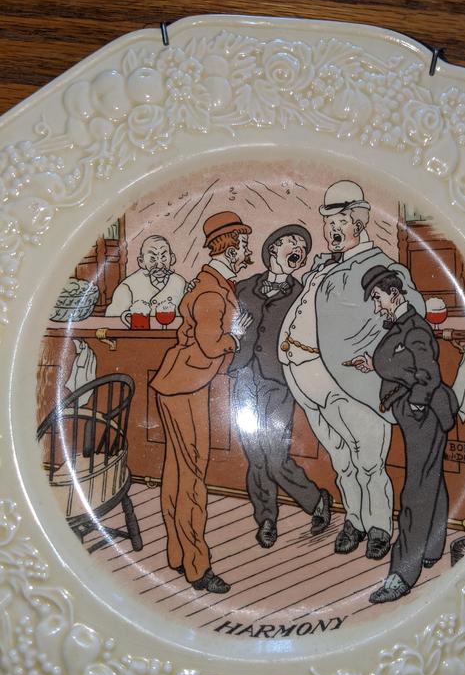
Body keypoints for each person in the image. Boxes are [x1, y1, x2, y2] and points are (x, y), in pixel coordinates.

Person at [278, 180, 425, 560]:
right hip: (306, 379)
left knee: (370, 462)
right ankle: (355, 520)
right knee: (342, 461)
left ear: (359, 223)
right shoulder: (323, 265)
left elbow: (412, 313)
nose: (334, 230)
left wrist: (378, 360)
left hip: (353, 383)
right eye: (329, 223)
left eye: (341, 221)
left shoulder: (378, 265)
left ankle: (379, 527)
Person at [150, 212, 253, 594]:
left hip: (177, 383)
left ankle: (178, 554)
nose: (248, 253)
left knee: (177, 473)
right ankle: (197, 567)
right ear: (230, 247)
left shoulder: (209, 283)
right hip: (187, 388)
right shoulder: (211, 292)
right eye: (244, 245)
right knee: (191, 476)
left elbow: (188, 332)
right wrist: (235, 338)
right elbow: (211, 345)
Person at [351, 265, 459, 603]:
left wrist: (415, 404)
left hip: (424, 414)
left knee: (416, 490)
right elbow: (405, 365)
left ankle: (402, 574)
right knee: (431, 479)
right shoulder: (402, 327)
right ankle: (431, 549)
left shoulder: (415, 328)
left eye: (378, 298)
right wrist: (374, 364)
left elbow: (428, 373)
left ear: (394, 294)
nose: (377, 306)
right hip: (419, 415)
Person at [230, 225, 332, 548]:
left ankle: (315, 500)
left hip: (279, 380)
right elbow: (221, 322)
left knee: (275, 455)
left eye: (303, 246)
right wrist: (234, 331)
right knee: (255, 456)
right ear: (273, 248)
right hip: (244, 376)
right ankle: (266, 519)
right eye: (292, 242)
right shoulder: (243, 288)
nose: (298, 249)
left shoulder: (302, 295)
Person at [105, 235, 187, 317]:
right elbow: (113, 319)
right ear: (141, 262)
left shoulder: (180, 283)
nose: (159, 265)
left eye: (163, 257)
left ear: (172, 258)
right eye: (152, 259)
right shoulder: (128, 287)